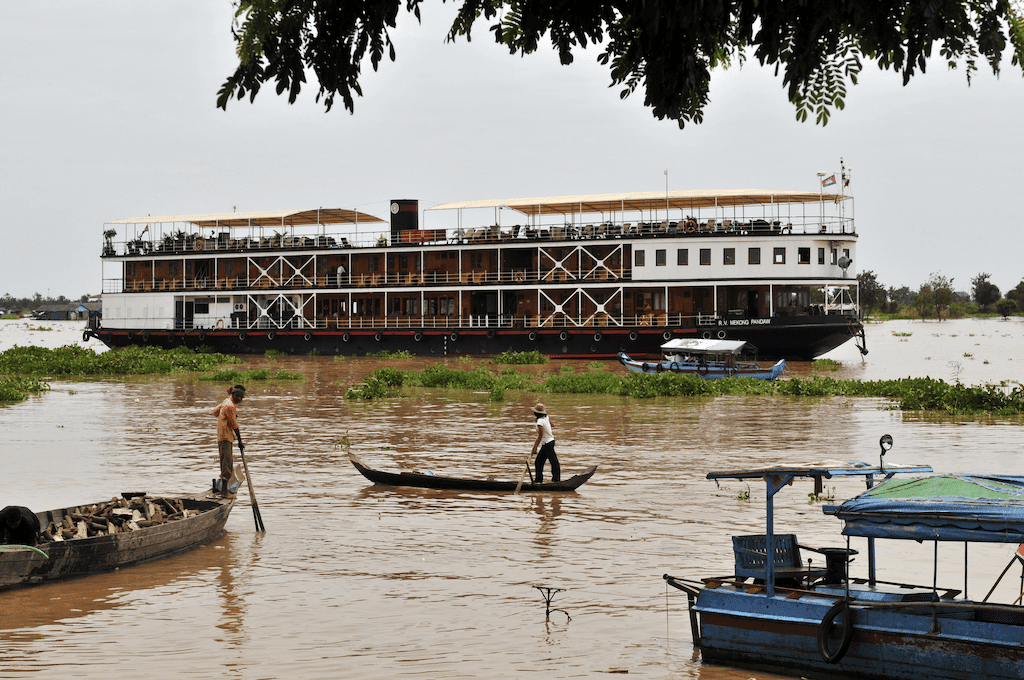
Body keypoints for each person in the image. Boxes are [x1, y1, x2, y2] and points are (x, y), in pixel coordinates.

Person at [212, 384, 246, 496]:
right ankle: (224, 491)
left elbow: (215, 412)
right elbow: (234, 425)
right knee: (227, 463)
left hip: (223, 435)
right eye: (238, 396)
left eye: (242, 397)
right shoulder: (230, 406)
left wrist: (227, 416)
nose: (240, 399)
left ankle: (224, 488)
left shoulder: (226, 402)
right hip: (225, 437)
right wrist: (240, 441)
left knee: (225, 461)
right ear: (233, 395)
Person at [531, 403, 560, 484]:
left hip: (547, 443)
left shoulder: (540, 422)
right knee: (539, 462)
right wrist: (547, 424)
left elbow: (540, 436)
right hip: (549, 442)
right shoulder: (546, 417)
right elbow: (553, 425)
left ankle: (556, 480)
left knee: (553, 461)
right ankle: (539, 480)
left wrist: (535, 448)